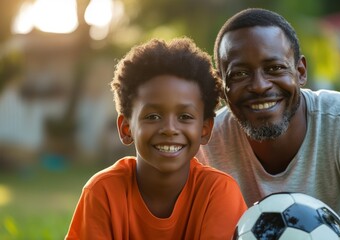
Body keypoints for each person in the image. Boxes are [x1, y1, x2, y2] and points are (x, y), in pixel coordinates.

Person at [196, 8, 340, 240]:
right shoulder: (205, 142)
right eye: (239, 74)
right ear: (222, 86)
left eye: (275, 68)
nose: (259, 86)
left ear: (300, 72)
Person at [65, 37, 247, 239]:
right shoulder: (103, 191)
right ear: (126, 128)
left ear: (205, 129)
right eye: (153, 116)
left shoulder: (218, 192)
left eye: (185, 117)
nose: (169, 129)